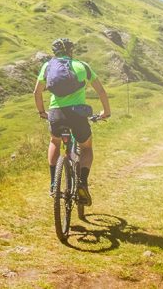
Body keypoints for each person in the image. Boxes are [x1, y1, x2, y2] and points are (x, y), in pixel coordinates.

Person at [34, 38, 111, 203]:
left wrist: (42, 112)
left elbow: (37, 93)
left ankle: (54, 182)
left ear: (55, 52)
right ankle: (82, 182)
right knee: (86, 148)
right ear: (71, 51)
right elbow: (101, 91)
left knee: (55, 142)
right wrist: (106, 111)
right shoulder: (82, 66)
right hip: (77, 115)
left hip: (56, 113)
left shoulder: (48, 67)